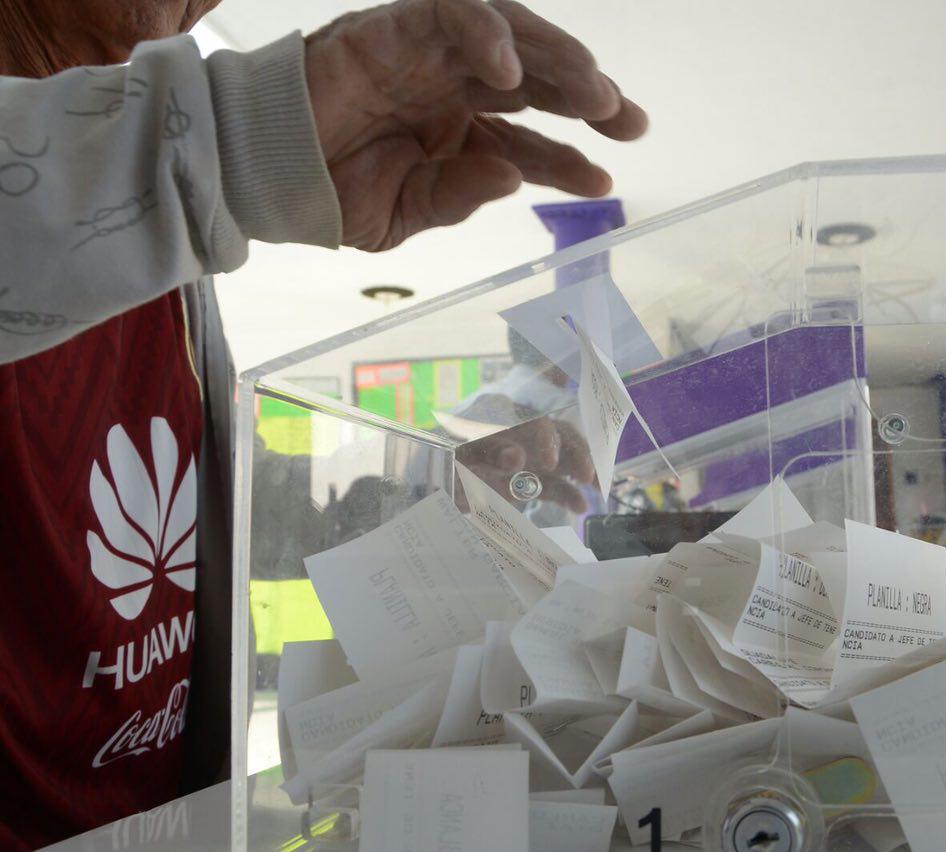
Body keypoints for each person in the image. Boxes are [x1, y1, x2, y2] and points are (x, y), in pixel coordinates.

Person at [0, 0, 645, 846]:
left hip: (158, 818)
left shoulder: (159, 237)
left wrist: (430, 498)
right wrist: (230, 139)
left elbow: (210, 496)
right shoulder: (128, 186)